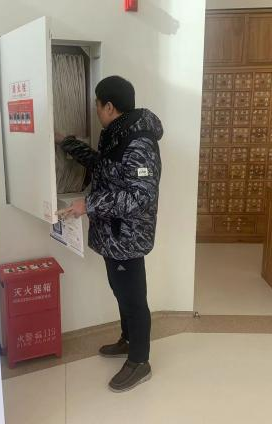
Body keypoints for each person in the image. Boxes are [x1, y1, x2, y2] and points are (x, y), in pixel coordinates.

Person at [56, 76, 163, 393]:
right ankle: (128, 340)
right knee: (120, 291)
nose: (96, 109)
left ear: (109, 107)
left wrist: (87, 204)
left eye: (97, 104)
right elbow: (101, 165)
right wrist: (66, 143)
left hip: (128, 237)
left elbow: (141, 197)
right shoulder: (117, 134)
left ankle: (140, 362)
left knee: (134, 299)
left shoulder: (139, 143)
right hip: (112, 235)